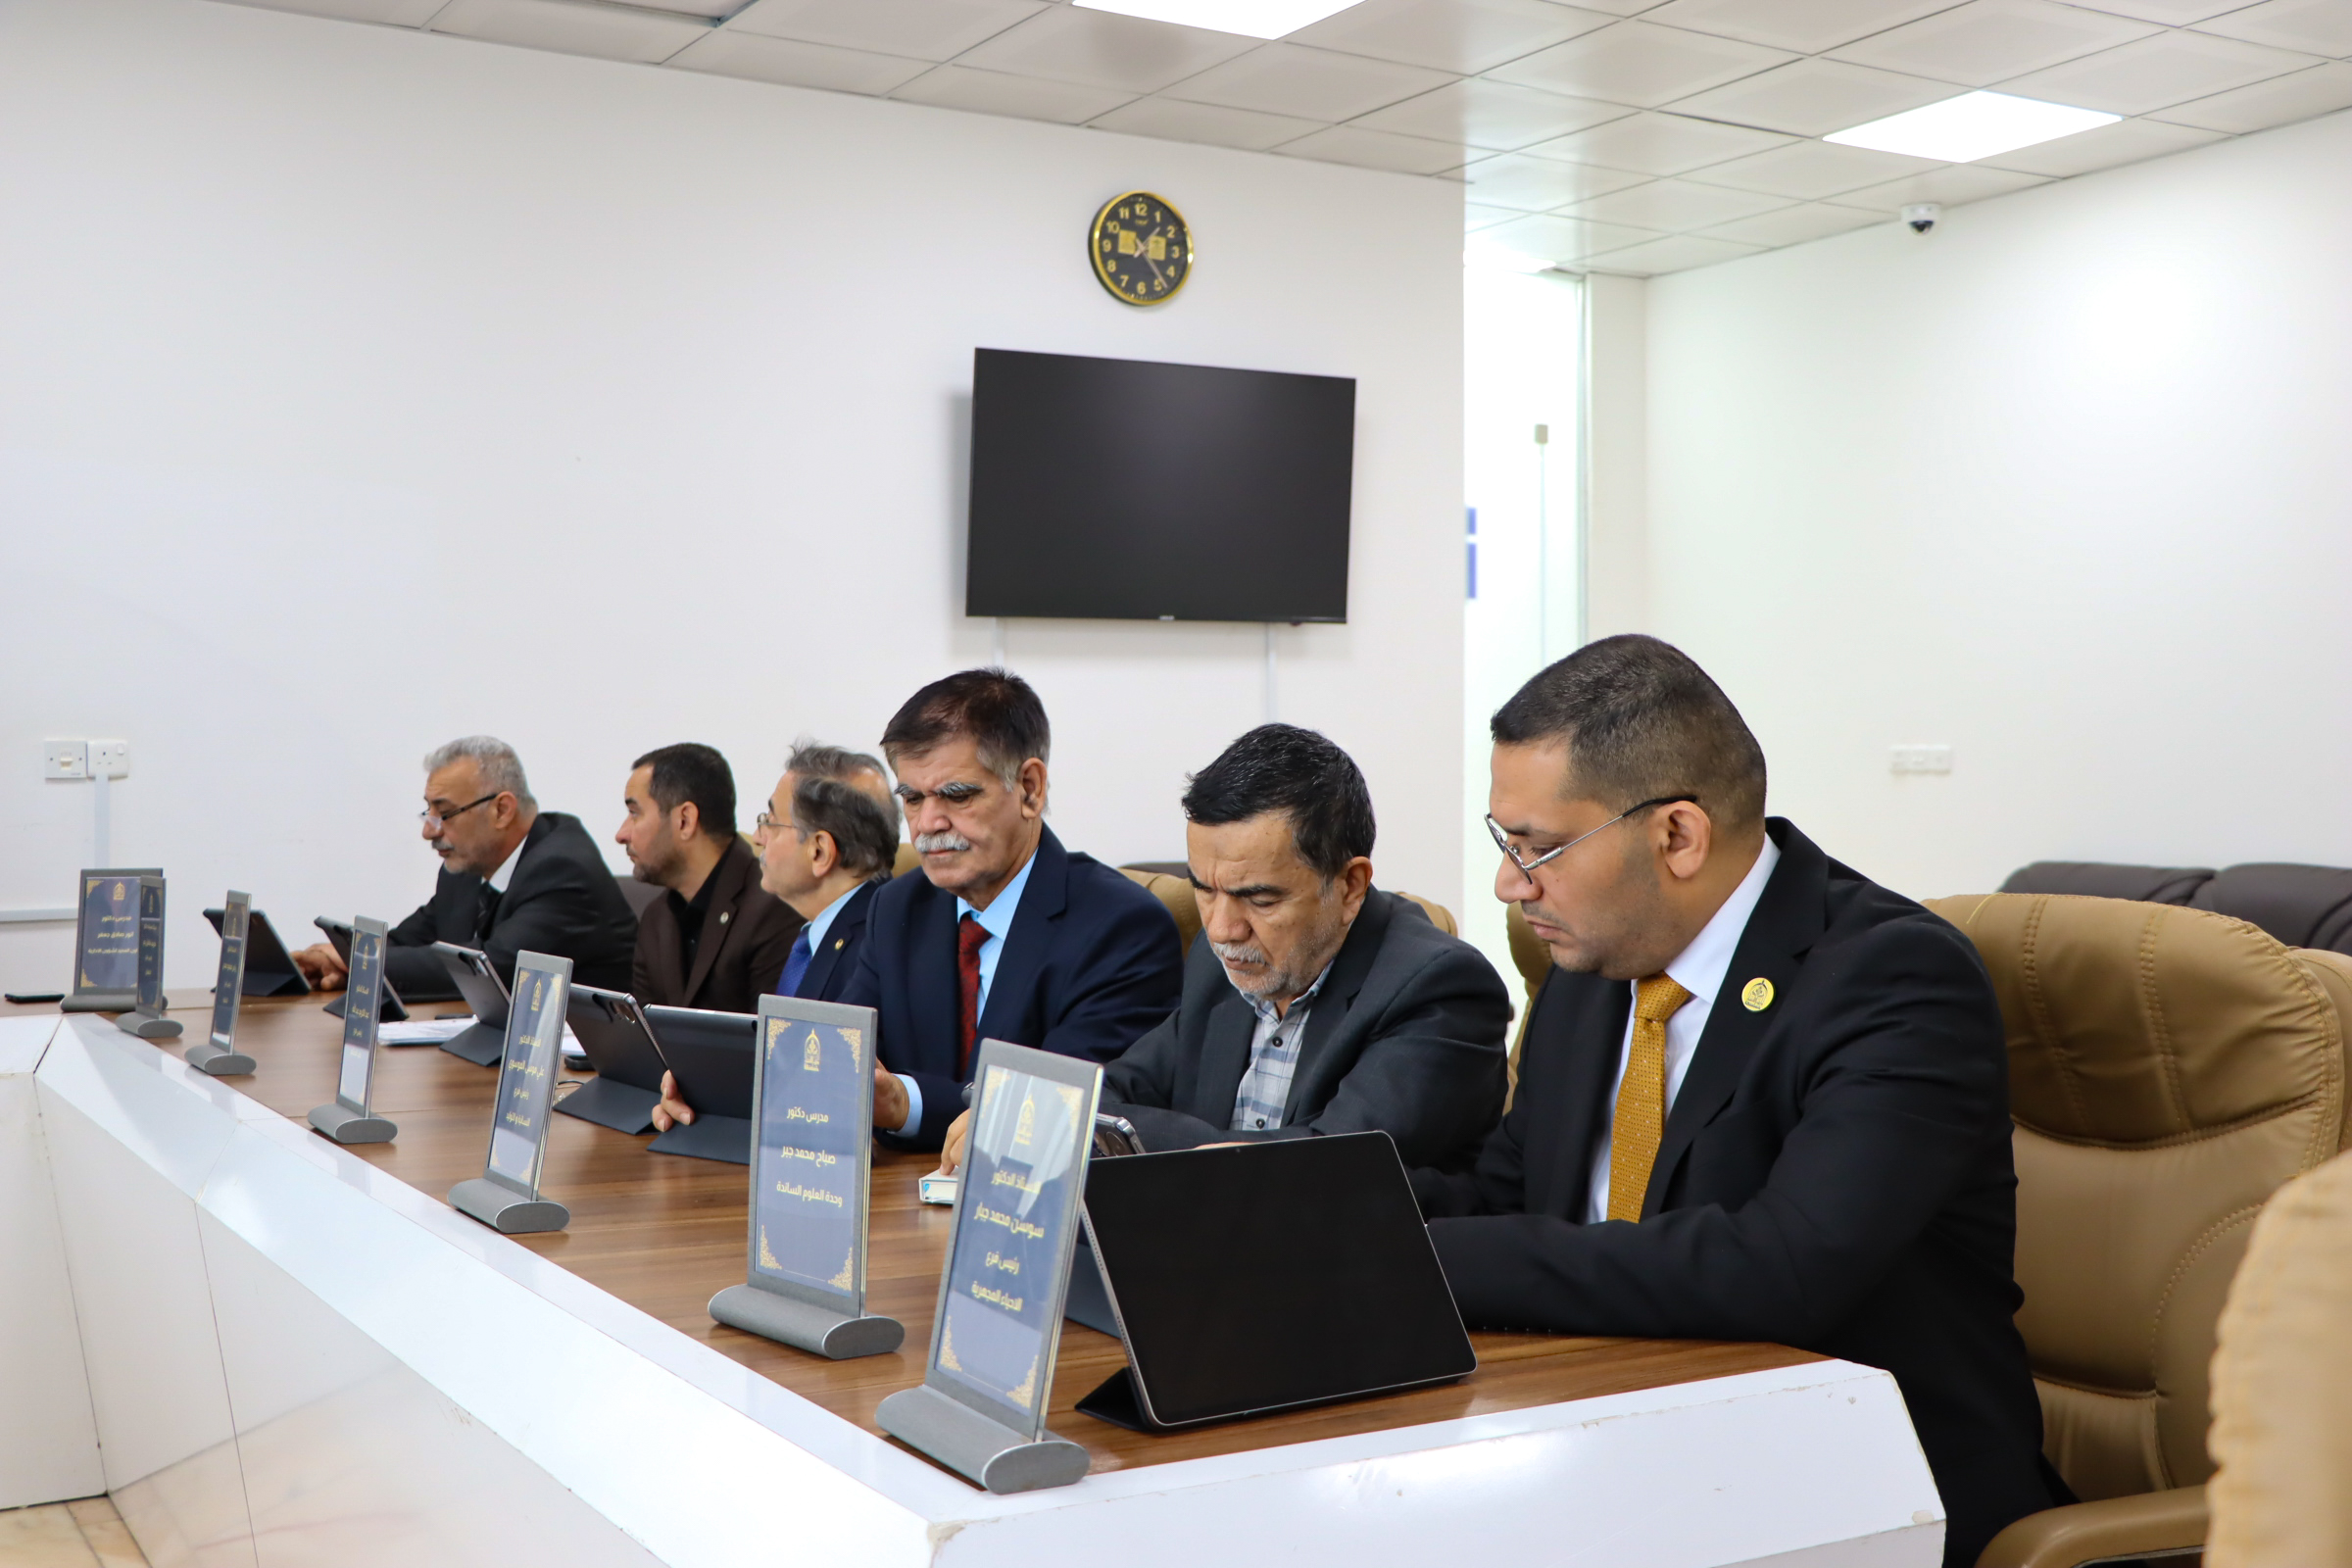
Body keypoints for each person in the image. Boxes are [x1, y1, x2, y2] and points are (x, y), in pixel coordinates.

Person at [1413, 636, 2059, 1568]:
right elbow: (1509, 1195)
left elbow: (1780, 1268)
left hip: (1859, 1492)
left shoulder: (1895, 978)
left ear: (1677, 835)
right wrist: (1320, 1214)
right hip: (1626, 1455)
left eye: (1541, 848)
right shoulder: (1597, 965)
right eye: (1504, 842)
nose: (1512, 884)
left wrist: (1421, 1262)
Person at [938, 723, 1509, 1176]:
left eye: (1259, 898)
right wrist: (1043, 1108)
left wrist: (1082, 1127)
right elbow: (1116, 1088)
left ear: (1351, 886)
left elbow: (1326, 1163)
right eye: (1204, 890)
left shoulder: (1439, 987)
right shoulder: (1222, 964)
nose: (1222, 928)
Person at [845, 668, 1183, 1152]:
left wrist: (907, 1102)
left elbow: (1055, 1111)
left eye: (957, 795)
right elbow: (846, 1063)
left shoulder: (1123, 927)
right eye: (913, 798)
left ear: (1029, 789)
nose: (927, 823)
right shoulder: (898, 906)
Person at [653, 741, 901, 1134]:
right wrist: (699, 1090)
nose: (757, 836)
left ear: (819, 851)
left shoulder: (877, 942)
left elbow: (816, 1087)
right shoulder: (826, 932)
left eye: (770, 820)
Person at [290, 736, 636, 999]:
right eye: (428, 812)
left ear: (502, 810)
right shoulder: (468, 866)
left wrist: (358, 960)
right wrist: (340, 960)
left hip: (568, 1065)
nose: (429, 831)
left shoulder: (562, 870)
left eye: (445, 813)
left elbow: (490, 969)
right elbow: (406, 942)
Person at [617, 743, 799, 1013]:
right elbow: (642, 1032)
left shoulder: (773, 908)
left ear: (685, 820)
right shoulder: (657, 916)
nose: (621, 834)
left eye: (635, 813)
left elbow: (769, 1035)